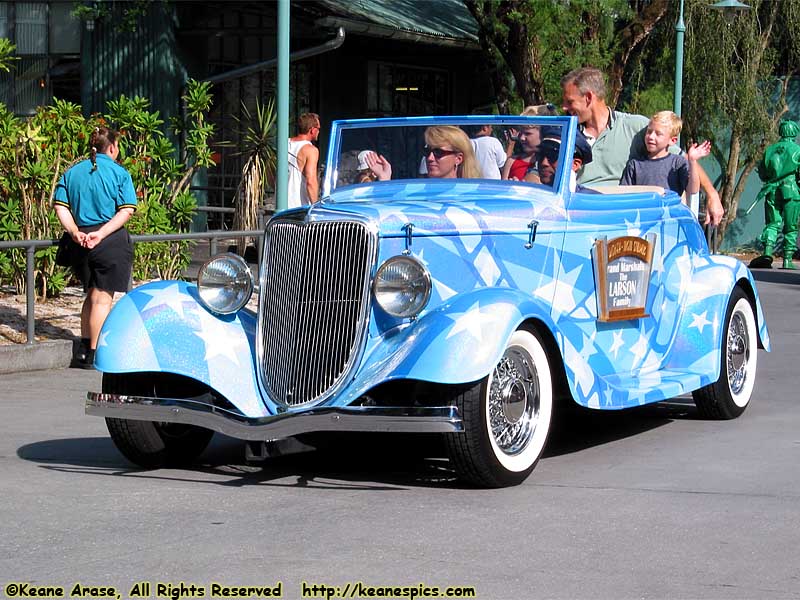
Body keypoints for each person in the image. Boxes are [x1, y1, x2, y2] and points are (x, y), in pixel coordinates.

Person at [561, 67, 724, 226]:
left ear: (589, 98)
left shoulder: (636, 127)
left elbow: (685, 159)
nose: (564, 108)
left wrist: (712, 195)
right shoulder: (566, 133)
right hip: (575, 216)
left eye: (569, 102)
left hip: (618, 220)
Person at [52, 126, 137, 369]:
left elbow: (60, 207)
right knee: (102, 299)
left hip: (80, 241)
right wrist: (101, 233)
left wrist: (75, 232)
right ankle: (95, 354)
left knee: (90, 296)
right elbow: (127, 210)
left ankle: (82, 349)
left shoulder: (72, 172)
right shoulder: (119, 173)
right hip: (109, 240)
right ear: (111, 147)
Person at [620, 111, 712, 205]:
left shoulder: (678, 163)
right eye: (649, 131)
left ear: (672, 140)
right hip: (642, 215)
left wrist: (692, 161)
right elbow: (624, 195)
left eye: (658, 134)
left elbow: (693, 189)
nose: (651, 137)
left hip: (668, 216)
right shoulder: (635, 164)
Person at [750, 120, 800, 269]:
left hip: (771, 190)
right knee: (790, 226)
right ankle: (787, 259)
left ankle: (767, 252)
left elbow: (763, 173)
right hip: (791, 190)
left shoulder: (770, 150)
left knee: (772, 223)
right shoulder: (797, 150)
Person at [366, 126, 481, 180]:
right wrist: (384, 177)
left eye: (438, 152)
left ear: (459, 158)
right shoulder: (419, 190)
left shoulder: (474, 194)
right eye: (427, 151)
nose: (430, 158)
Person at [526, 127, 598, 194]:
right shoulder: (531, 195)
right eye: (540, 154)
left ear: (575, 164)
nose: (544, 163)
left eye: (553, 155)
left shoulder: (592, 202)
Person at [502, 104, 557, 181]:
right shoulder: (512, 161)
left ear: (543, 134)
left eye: (527, 133)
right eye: (520, 133)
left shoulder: (551, 164)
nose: (521, 138)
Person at [288, 112, 320, 208]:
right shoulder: (311, 150)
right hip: (299, 208)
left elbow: (270, 174)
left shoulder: (283, 143)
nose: (319, 131)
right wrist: (316, 207)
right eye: (318, 129)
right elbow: (311, 181)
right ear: (312, 130)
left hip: (281, 207)